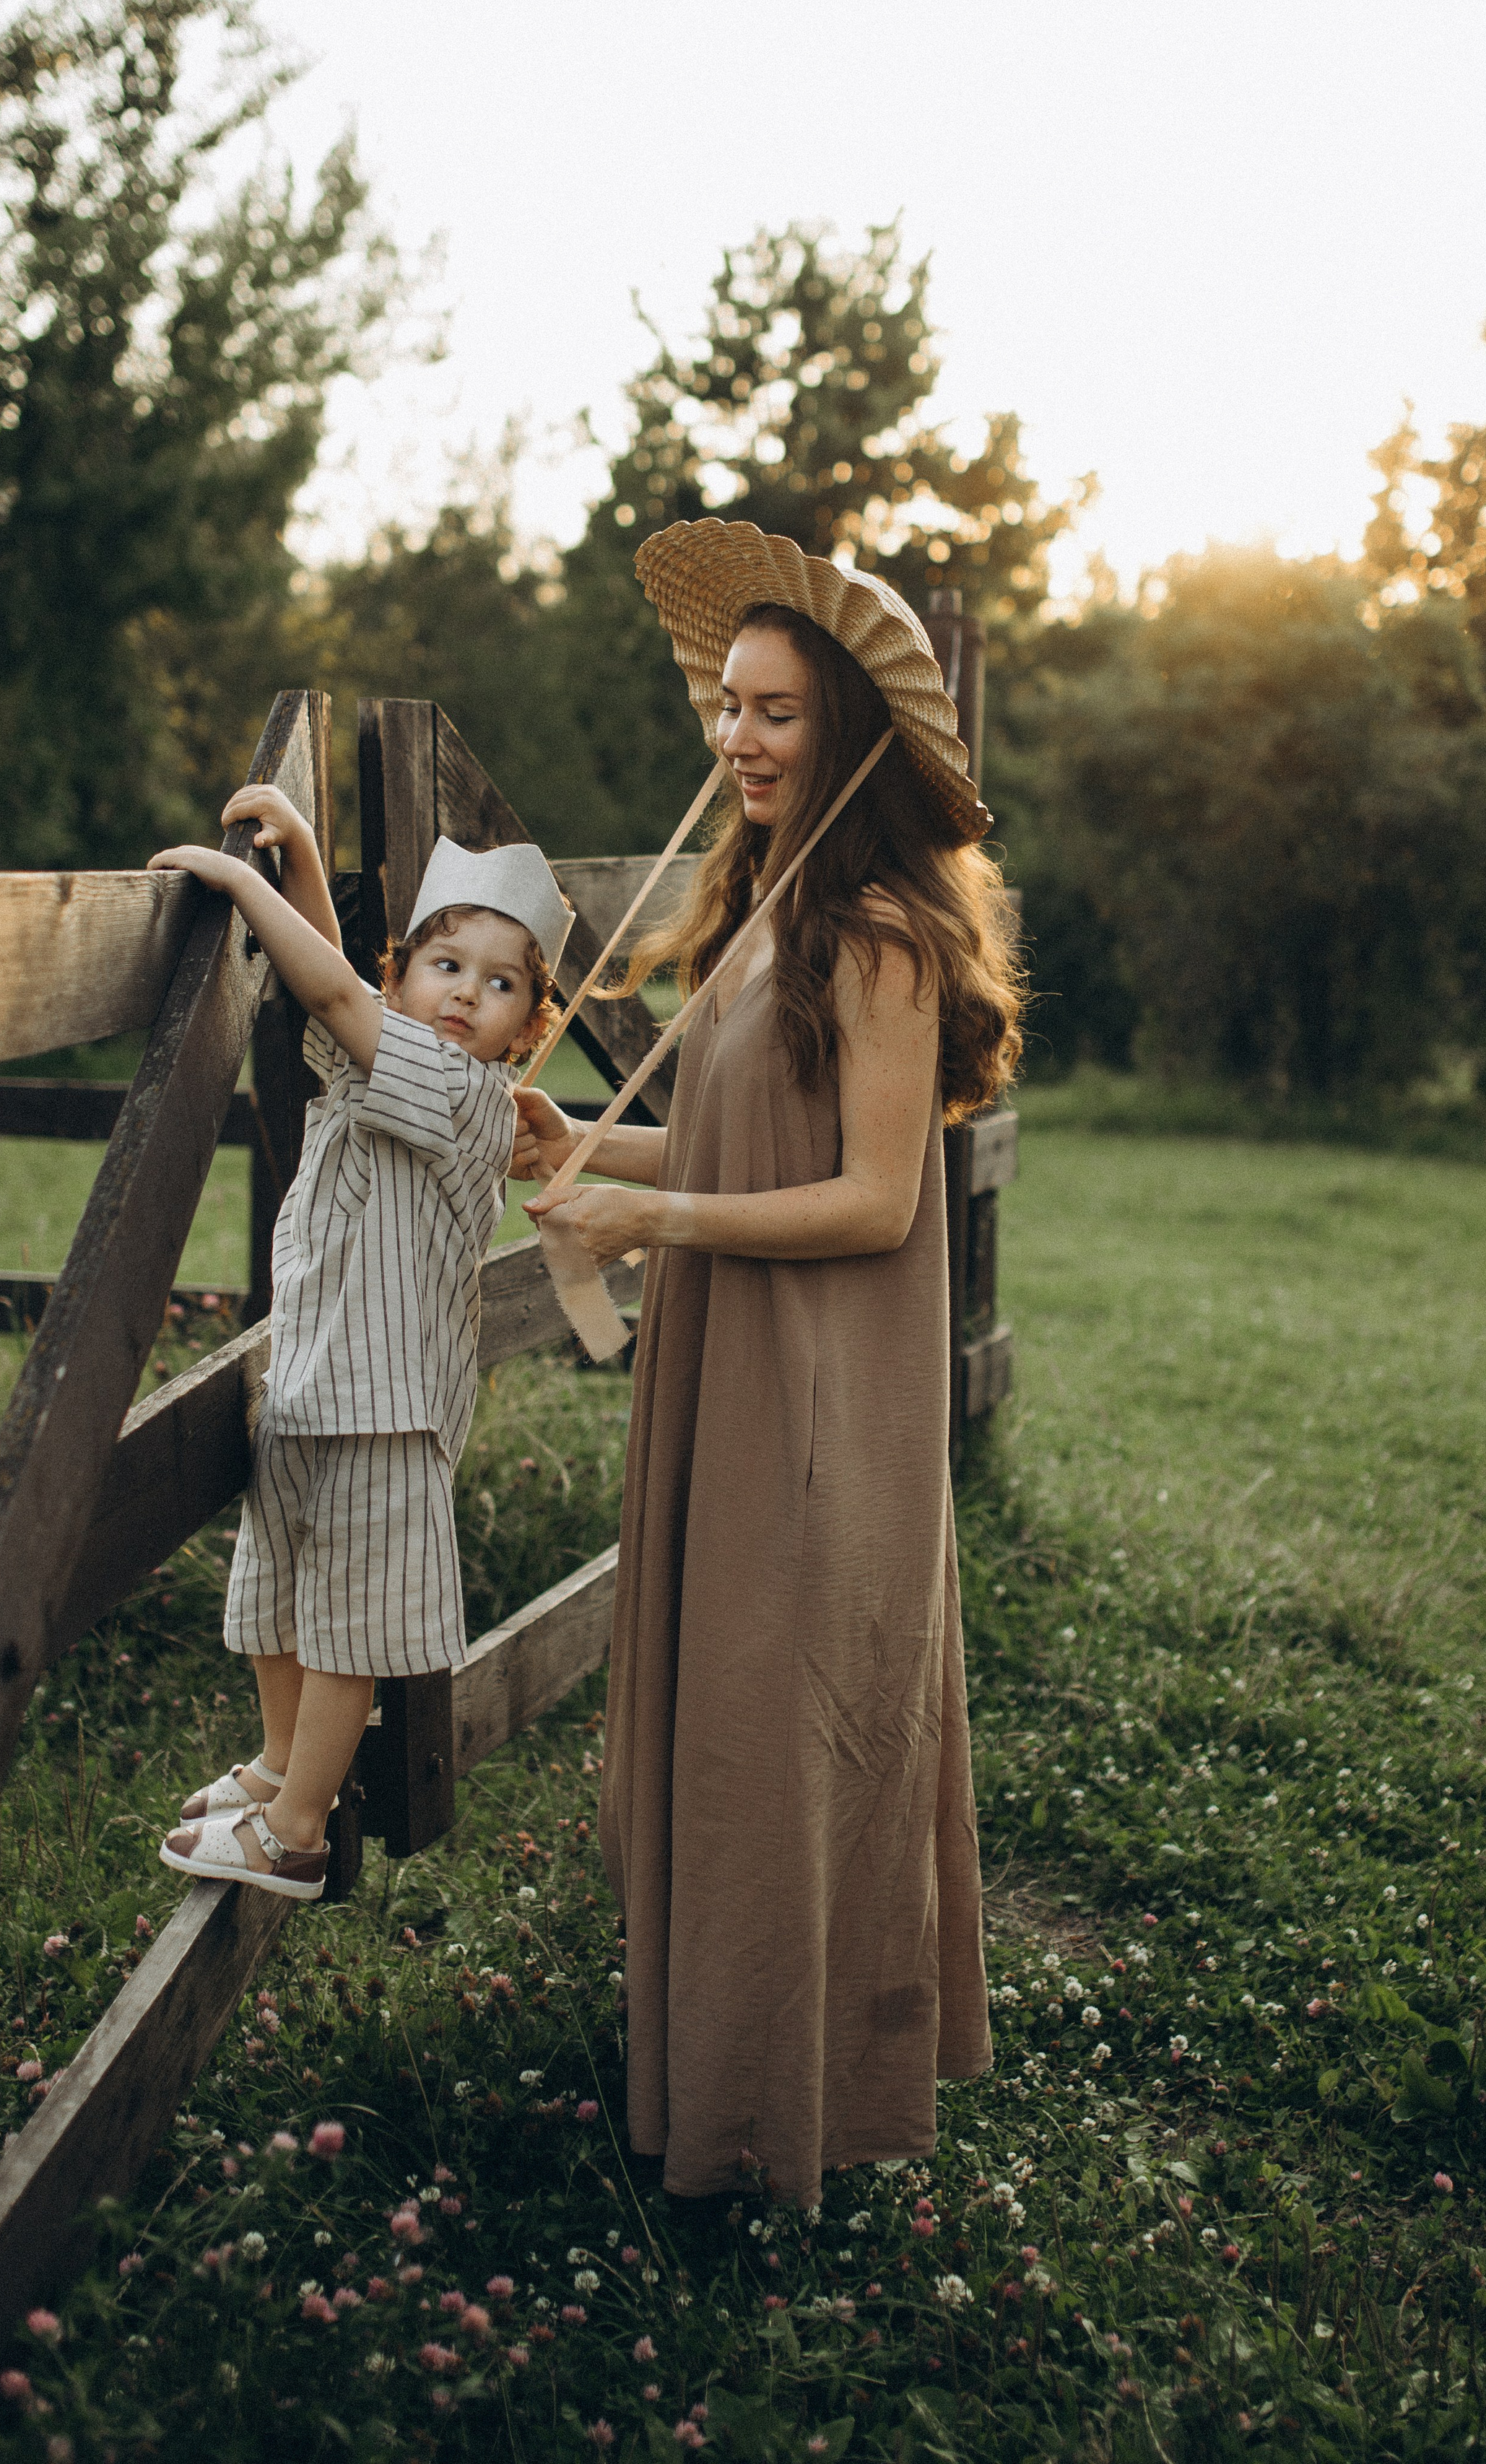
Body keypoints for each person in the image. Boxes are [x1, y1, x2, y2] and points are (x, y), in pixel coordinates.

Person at [513, 518, 1022, 2203]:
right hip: (732, 1375)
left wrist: (657, 1232)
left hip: (821, 1405)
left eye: (777, 713)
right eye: (726, 707)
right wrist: (584, 1151)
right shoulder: (762, 907)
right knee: (722, 1735)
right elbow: (732, 1147)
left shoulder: (877, 929)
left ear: (848, 735)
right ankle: (711, 2082)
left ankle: (773, 2127)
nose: (735, 738)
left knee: (774, 1742)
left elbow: (873, 1206)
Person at [148, 793, 571, 1899]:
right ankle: (285, 1764)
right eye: (445, 965)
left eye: (500, 984)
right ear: (407, 980)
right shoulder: (385, 1052)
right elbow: (341, 985)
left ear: (526, 1027)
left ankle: (297, 1827)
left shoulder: (470, 1095)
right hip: (311, 1379)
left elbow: (332, 987)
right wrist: (299, 857)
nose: (466, 995)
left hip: (386, 1408)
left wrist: (245, 883)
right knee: (278, 1597)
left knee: (342, 1628)